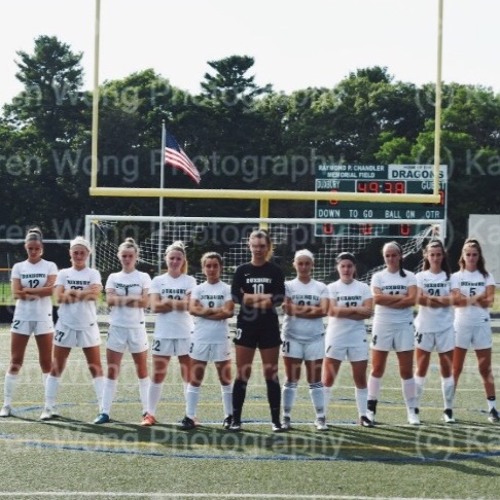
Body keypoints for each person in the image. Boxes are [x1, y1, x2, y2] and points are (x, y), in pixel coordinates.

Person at [40, 236, 104, 420]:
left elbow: (95, 296)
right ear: (70, 253)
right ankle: (49, 407)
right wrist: (84, 292)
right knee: (57, 366)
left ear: (88, 254)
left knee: (95, 366)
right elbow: (58, 298)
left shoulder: (93, 273)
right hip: (65, 324)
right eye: (75, 252)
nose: (78, 255)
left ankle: (103, 408)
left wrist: (72, 292)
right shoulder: (63, 273)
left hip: (88, 325)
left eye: (82, 252)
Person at [230, 229, 286, 432]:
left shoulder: (275, 271)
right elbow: (236, 297)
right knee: (242, 372)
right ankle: (236, 419)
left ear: (268, 247)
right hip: (246, 325)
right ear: (249, 246)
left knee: (271, 373)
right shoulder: (242, 270)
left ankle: (275, 420)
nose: (258, 249)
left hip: (269, 325)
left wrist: (249, 299)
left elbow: (278, 299)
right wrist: (264, 299)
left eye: (262, 246)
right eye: (255, 245)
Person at [1, 228, 58, 418]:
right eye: (30, 248)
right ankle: (6, 404)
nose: (33, 251)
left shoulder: (50, 266)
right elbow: (16, 293)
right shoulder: (19, 267)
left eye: (36, 248)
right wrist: (36, 291)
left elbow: (51, 290)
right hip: (22, 317)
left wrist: (28, 292)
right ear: (26, 247)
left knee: (46, 362)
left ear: (41, 248)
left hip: (43, 317)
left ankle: (49, 407)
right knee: (16, 360)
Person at [94, 238, 152, 424]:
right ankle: (104, 412)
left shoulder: (143, 277)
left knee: (142, 371)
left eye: (130, 256)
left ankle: (147, 411)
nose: (127, 259)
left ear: (136, 257)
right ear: (119, 257)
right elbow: (110, 301)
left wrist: (122, 298)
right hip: (117, 328)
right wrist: (132, 298)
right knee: (112, 371)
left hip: (137, 329)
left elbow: (145, 302)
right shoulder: (113, 277)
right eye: (124, 256)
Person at [141, 241, 196, 426]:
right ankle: (150, 414)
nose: (174, 261)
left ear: (183, 261)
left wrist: (167, 301)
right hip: (163, 333)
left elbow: (190, 305)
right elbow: (155, 306)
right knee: (158, 375)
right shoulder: (158, 280)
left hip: (185, 333)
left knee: (188, 375)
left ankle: (190, 415)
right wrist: (177, 301)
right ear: (166, 259)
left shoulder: (190, 281)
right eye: (171, 258)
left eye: (178, 258)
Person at [180, 252, 234, 430]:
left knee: (225, 379)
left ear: (220, 268)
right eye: (208, 266)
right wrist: (215, 312)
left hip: (220, 338)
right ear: (203, 268)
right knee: (195, 379)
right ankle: (189, 416)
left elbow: (228, 312)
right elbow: (193, 309)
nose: (211, 269)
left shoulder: (226, 288)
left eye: (215, 266)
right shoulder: (198, 288)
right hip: (201, 337)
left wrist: (205, 311)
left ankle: (229, 416)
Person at [367, 241, 419, 425]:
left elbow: (412, 300)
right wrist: (400, 299)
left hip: (404, 325)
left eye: (394, 255)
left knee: (406, 370)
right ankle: (370, 409)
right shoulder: (378, 277)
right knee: (377, 369)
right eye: (387, 255)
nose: (391, 258)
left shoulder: (410, 277)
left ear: (400, 256)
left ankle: (412, 411)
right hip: (382, 325)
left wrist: (391, 300)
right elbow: (377, 299)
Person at [322, 252, 374, 427]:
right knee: (328, 378)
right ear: (338, 267)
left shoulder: (363, 288)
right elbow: (331, 311)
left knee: (360, 378)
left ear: (354, 268)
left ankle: (363, 415)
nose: (346, 269)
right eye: (343, 266)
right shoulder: (331, 288)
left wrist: (343, 310)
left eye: (349, 266)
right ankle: (321, 415)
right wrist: (356, 310)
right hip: (336, 337)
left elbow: (368, 312)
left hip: (357, 337)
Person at [451, 238, 499, 423]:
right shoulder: (456, 277)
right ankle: (449, 408)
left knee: (485, 368)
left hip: (481, 324)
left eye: (474, 254)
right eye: (468, 254)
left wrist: (467, 297)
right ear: (463, 255)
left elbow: (489, 302)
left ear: (479, 256)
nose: (471, 257)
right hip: (461, 324)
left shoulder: (487, 277)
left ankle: (493, 409)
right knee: (456, 368)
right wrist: (478, 297)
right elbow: (456, 300)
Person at [281, 249, 329, 431]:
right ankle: (285, 417)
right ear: (294, 264)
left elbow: (324, 310)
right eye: (300, 263)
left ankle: (320, 417)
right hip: (291, 337)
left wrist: (299, 310)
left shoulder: (321, 287)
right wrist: (311, 310)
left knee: (315, 378)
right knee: (291, 378)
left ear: (312, 265)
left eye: (307, 263)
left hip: (314, 338)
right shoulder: (288, 285)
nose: (303, 266)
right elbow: (286, 307)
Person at [414, 239, 456, 423]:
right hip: (424, 327)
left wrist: (431, 298)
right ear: (427, 256)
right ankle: (414, 409)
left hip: (445, 328)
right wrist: (441, 298)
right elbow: (419, 300)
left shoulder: (451, 277)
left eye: (439, 254)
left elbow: (453, 300)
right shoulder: (420, 277)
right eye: (432, 254)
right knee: (421, 369)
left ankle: (448, 409)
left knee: (447, 370)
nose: (436, 258)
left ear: (443, 255)